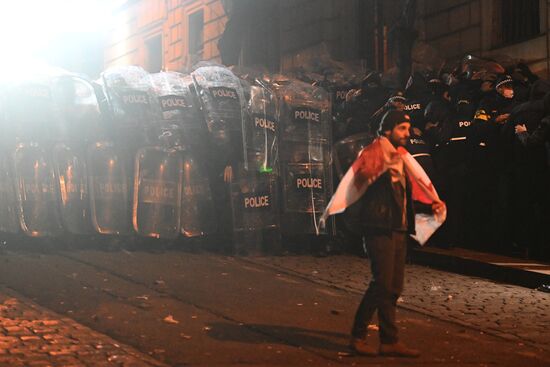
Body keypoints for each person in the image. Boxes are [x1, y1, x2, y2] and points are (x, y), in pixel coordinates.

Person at [320, 110, 445, 357]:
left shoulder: (402, 157)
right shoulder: (375, 153)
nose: (407, 134)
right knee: (382, 285)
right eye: (402, 129)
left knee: (394, 287)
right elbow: (359, 180)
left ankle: (389, 340)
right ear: (388, 130)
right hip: (378, 227)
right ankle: (357, 336)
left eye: (408, 130)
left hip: (397, 227)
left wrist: (430, 204)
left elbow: (409, 191)